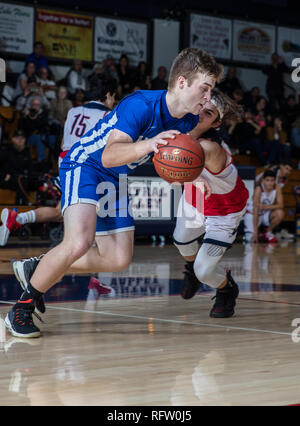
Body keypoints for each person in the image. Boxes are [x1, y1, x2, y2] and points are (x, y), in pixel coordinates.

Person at [5, 47, 223, 337]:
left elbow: (166, 167)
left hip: (115, 175)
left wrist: (189, 181)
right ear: (182, 82)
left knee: (119, 258)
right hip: (86, 163)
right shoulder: (141, 104)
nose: (208, 97)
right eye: (205, 89)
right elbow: (109, 156)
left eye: (211, 91)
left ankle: (40, 267)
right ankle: (20, 309)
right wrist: (148, 144)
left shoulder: (185, 122)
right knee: (79, 241)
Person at [0, 82, 117, 247]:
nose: (114, 101)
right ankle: (87, 244)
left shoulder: (73, 111)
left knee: (60, 211)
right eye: (113, 97)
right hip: (83, 165)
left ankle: (17, 218)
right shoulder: (107, 115)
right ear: (108, 95)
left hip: (66, 161)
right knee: (93, 206)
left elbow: (63, 143)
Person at [173, 89, 248, 318]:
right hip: (196, 199)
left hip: (224, 210)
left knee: (205, 271)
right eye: (200, 107)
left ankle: (227, 288)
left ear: (216, 123)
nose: (199, 114)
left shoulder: (211, 148)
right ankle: (191, 270)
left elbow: (177, 166)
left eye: (208, 113)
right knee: (181, 242)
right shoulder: (179, 127)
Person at [243, 170, 284, 243]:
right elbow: (255, 210)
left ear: (275, 181)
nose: (270, 183)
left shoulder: (277, 187)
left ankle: (267, 233)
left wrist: (265, 207)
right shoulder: (259, 189)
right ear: (263, 180)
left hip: (264, 214)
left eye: (272, 180)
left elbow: (281, 205)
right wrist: (255, 232)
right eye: (267, 180)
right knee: (251, 240)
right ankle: (257, 233)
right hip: (252, 214)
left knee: (280, 213)